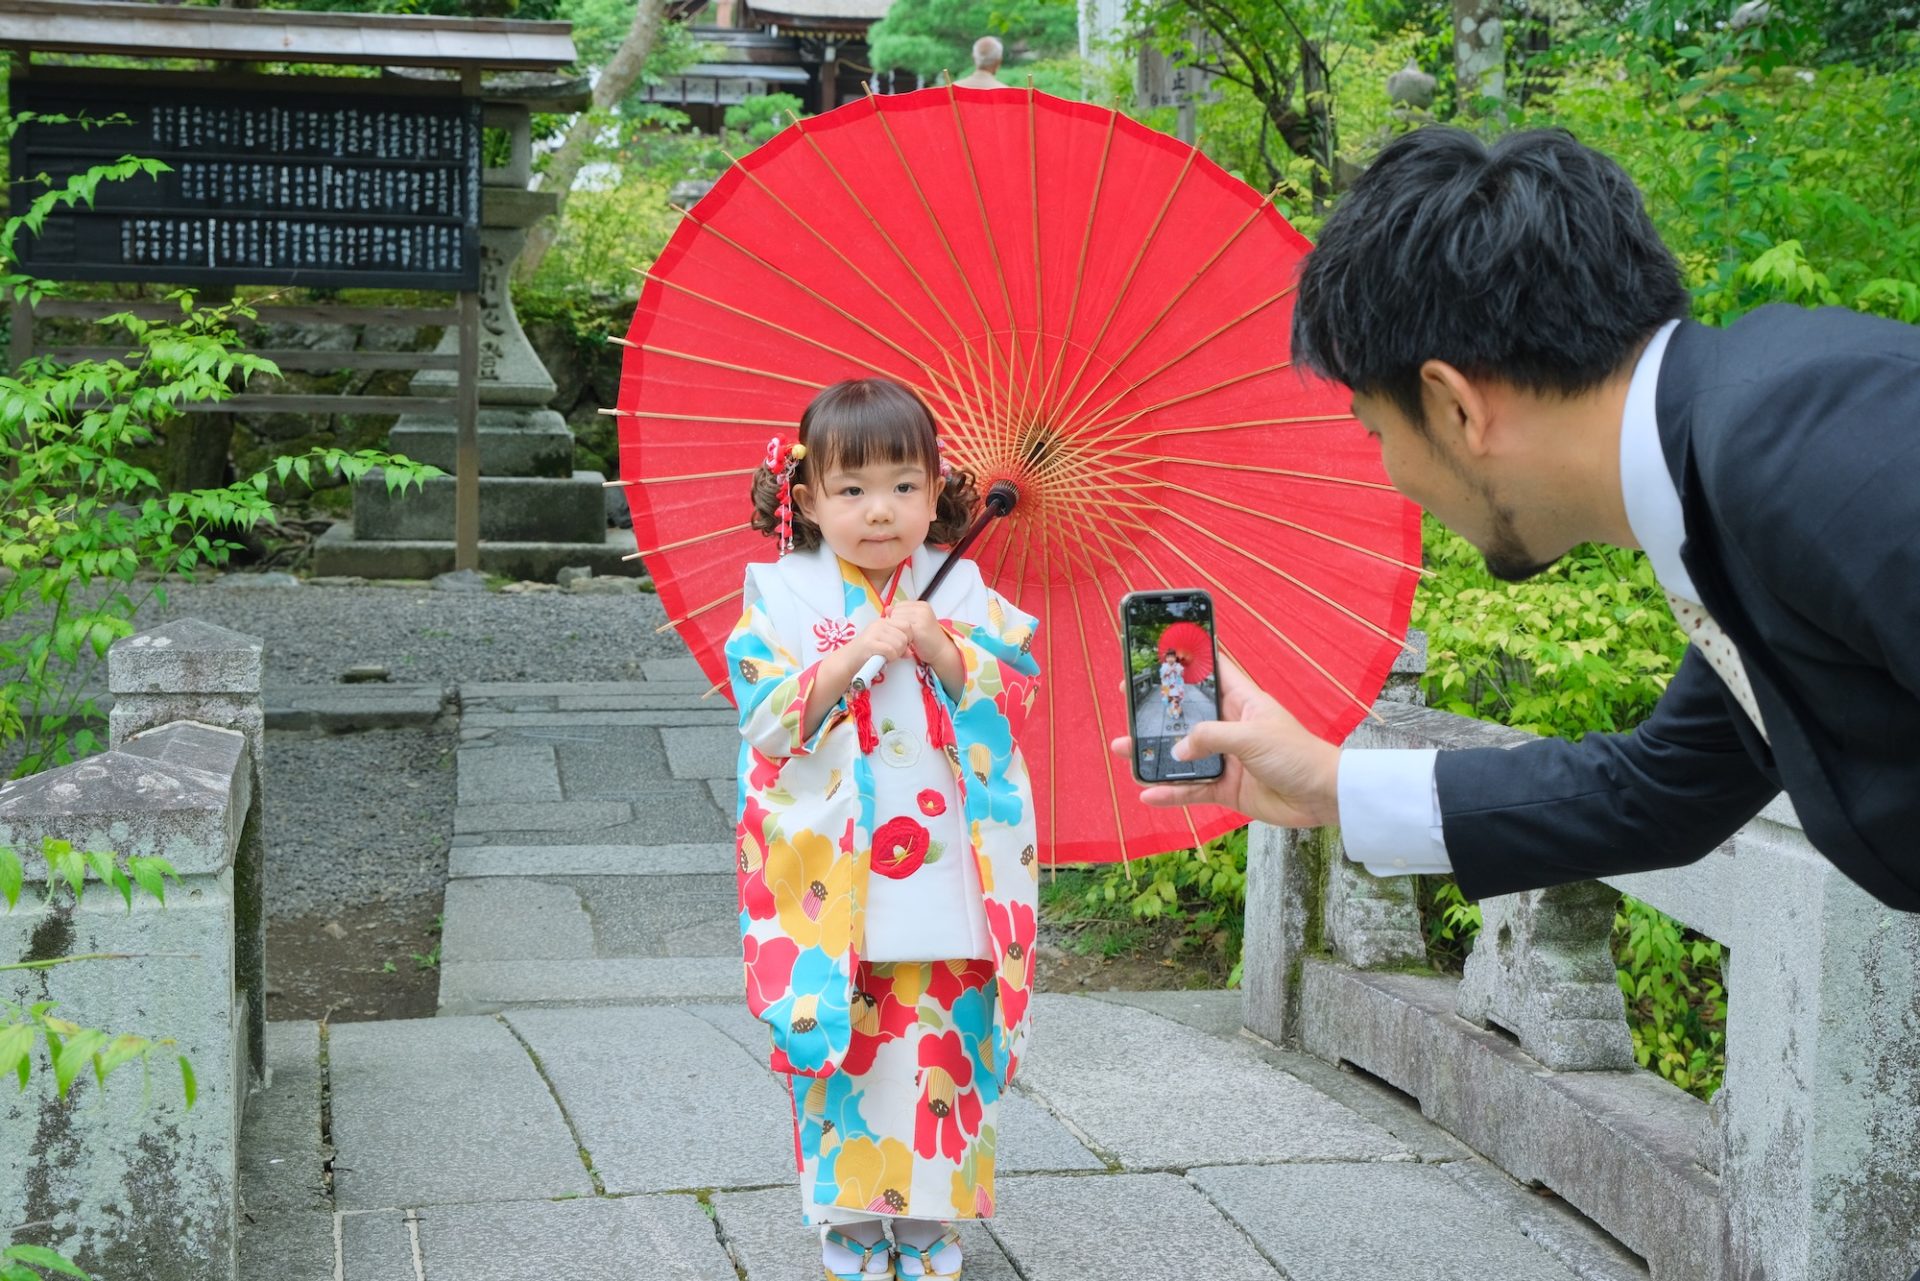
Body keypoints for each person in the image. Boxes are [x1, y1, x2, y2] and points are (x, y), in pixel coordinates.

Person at [1116, 125, 1920, 914]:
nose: (1395, 478)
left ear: (1454, 404)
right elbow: (1659, 790)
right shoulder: (1730, 463)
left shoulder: (1801, 447)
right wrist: (1331, 786)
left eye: (1376, 432)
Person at [726, 377, 1043, 1280]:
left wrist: (945, 647)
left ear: (938, 488)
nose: (879, 510)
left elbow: (1015, 693)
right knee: (851, 1043)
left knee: (941, 1036)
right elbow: (762, 716)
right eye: (852, 489)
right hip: (837, 870)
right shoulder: (781, 591)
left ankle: (933, 1218)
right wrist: (854, 653)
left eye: (904, 486)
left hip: (947, 866)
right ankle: (853, 1219)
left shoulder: (965, 586)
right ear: (807, 497)